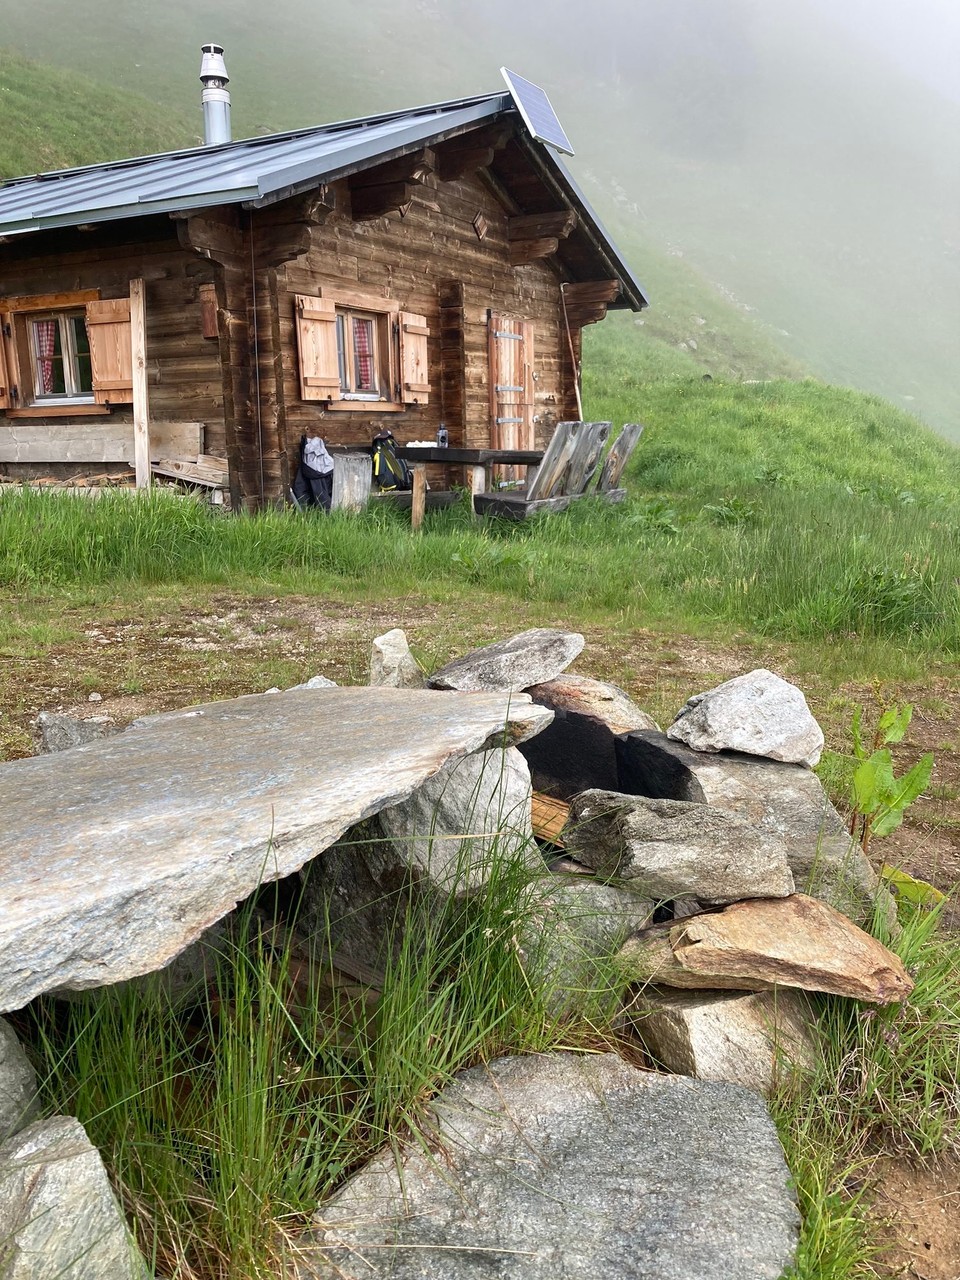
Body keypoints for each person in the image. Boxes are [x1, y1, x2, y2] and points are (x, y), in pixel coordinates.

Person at [292, 435, 334, 510]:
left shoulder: (306, 464)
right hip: (324, 508)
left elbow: (299, 490)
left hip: (310, 510)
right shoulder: (327, 463)